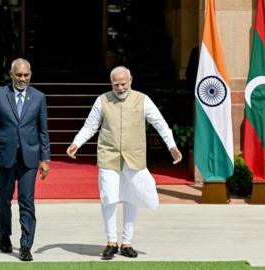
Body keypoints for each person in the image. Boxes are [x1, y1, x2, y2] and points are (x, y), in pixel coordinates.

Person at [66, 66, 182, 259]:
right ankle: (111, 242)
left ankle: (127, 243)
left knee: (132, 197)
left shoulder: (142, 99)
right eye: (115, 84)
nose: (119, 88)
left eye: (123, 83)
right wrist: (76, 143)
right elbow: (91, 125)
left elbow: (160, 123)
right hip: (108, 156)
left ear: (131, 81)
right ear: (111, 83)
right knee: (108, 197)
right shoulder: (102, 100)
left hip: (134, 157)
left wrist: (172, 146)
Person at [0, 58, 50, 261]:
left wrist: (45, 158)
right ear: (11, 74)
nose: (23, 79)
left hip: (29, 157)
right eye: (19, 75)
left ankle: (25, 245)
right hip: (5, 156)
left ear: (30, 74)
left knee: (26, 200)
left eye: (26, 75)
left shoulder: (38, 97)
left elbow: (43, 130)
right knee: (3, 199)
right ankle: (5, 236)